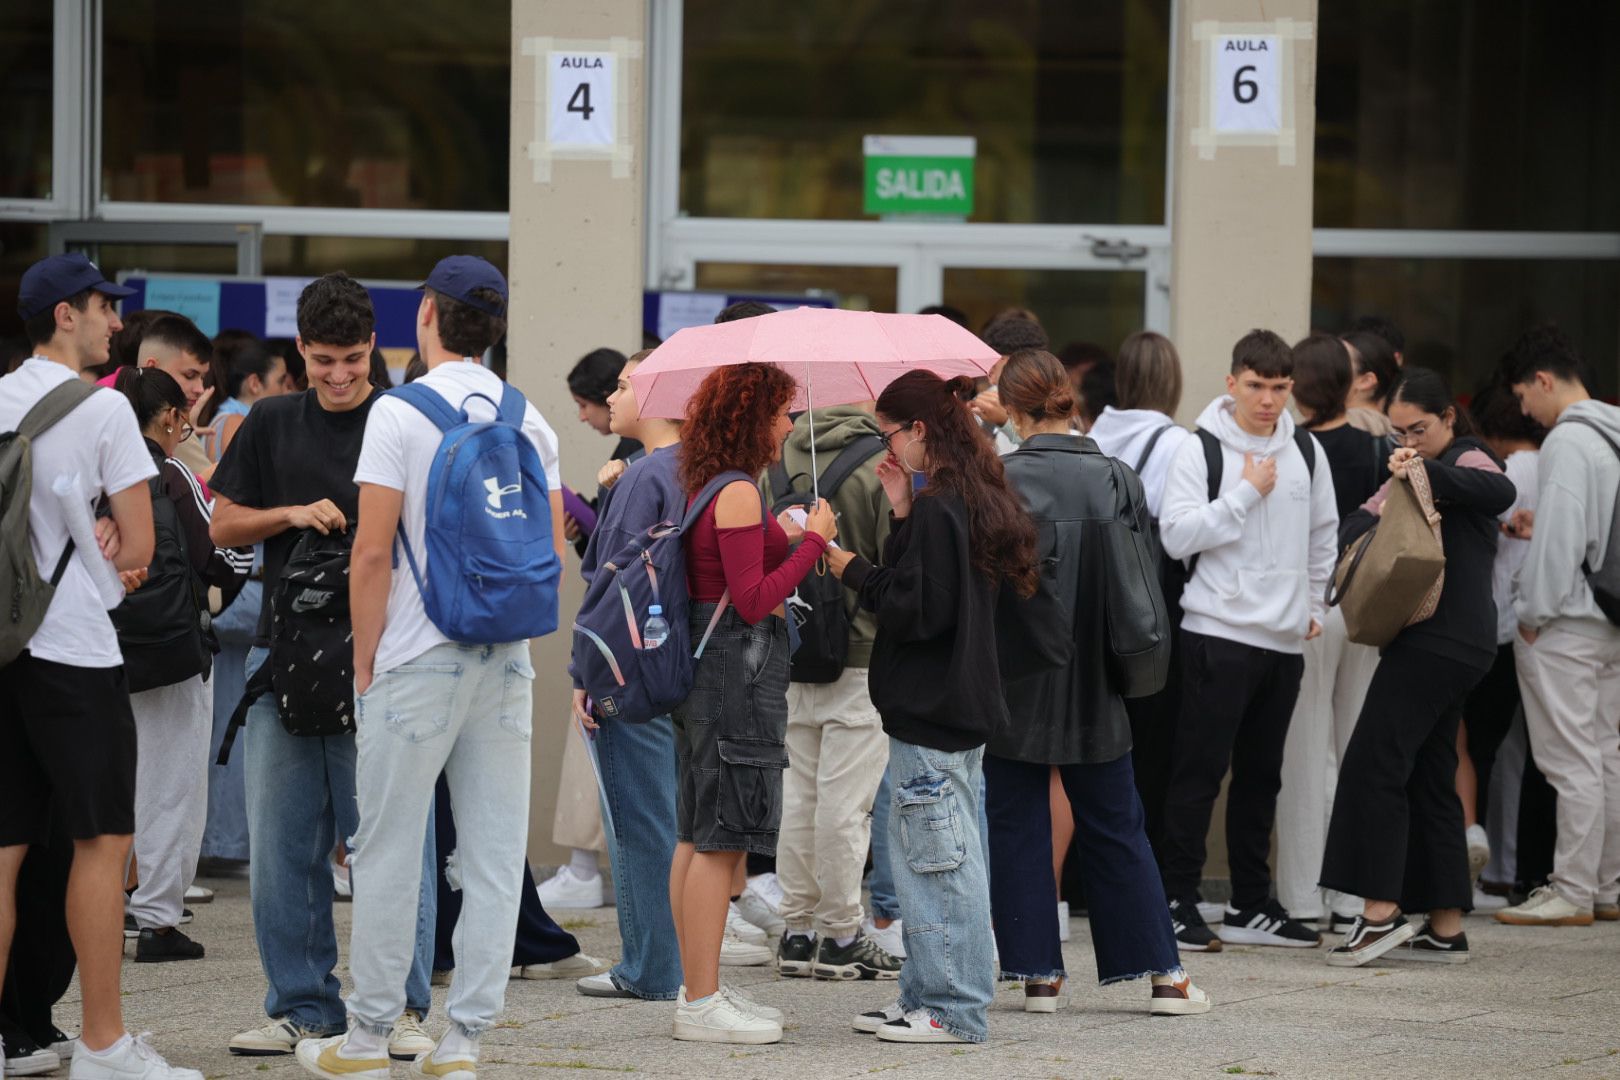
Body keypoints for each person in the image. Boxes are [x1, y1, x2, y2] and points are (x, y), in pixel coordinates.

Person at [292, 255, 565, 1080]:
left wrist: (364, 659)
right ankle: (465, 1041)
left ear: (425, 316)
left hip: (417, 656)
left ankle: (368, 1038)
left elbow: (372, 552)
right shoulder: (530, 417)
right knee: (492, 854)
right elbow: (551, 551)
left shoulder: (399, 413)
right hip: (506, 660)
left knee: (387, 849)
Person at [210, 272, 437, 1060]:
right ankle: (303, 1007)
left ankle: (401, 1009)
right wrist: (291, 513)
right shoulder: (271, 420)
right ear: (299, 352)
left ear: (375, 347)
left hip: (386, 657)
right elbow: (221, 524)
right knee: (281, 852)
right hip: (284, 656)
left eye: (352, 359)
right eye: (322, 361)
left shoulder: (404, 417)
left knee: (392, 842)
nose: (338, 376)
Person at [1, 252, 202, 1080]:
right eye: (102, 307)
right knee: (103, 838)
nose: (115, 322)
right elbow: (140, 546)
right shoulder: (105, 409)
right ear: (65, 315)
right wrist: (104, 539)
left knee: (4, 846)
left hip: (4, 646)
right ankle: (103, 1043)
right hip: (73, 648)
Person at [986, 349, 1212, 1018]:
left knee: (1016, 824)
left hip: (1016, 675)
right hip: (1096, 673)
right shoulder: (1117, 478)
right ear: (1067, 398)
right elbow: (1141, 584)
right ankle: (1165, 975)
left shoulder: (997, 480)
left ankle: (1036, 975)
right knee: (1116, 823)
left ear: (1013, 409)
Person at [825, 370, 1036, 1045]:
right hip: (951, 702)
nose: (886, 447)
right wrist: (900, 509)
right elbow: (932, 587)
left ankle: (951, 1008)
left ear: (918, 429)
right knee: (938, 860)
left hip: (934, 703)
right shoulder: (963, 494)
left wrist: (849, 567)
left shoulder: (946, 504)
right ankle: (924, 994)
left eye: (888, 434)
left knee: (940, 867)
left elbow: (917, 608)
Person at [1321, 368, 1517, 965]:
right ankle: (1446, 925)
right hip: (1454, 644)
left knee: (1373, 761)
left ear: (1449, 418)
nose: (1409, 442)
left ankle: (1379, 915)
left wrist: (1423, 473)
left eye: (1420, 429)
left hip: (1438, 642)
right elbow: (1355, 524)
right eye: (1399, 433)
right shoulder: (1409, 470)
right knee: (1432, 774)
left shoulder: (1468, 456)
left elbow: (1500, 492)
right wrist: (1398, 494)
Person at [1156, 329, 1339, 951]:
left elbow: (1323, 535)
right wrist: (1243, 494)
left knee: (1263, 778)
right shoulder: (1199, 448)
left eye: (1280, 387)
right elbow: (1176, 536)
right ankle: (1176, 900)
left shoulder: (1306, 449)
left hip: (1283, 641)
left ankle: (1250, 904)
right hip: (1216, 632)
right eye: (1257, 385)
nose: (1268, 399)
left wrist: (1313, 606)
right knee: (1198, 774)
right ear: (1232, 382)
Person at [668, 362, 835, 1044]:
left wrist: (785, 535)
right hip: (736, 676)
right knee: (721, 838)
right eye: (782, 413)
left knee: (696, 832)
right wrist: (815, 541)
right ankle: (701, 1002)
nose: (790, 425)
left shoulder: (715, 484)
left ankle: (697, 989)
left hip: (710, 677)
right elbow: (754, 598)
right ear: (753, 419)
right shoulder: (738, 491)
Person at [111, 366, 252, 963]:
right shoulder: (171, 474)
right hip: (171, 654)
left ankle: (100, 908)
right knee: (170, 786)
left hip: (101, 649)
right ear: (170, 417)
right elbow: (225, 556)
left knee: (111, 782)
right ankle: (158, 921)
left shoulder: (99, 471)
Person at [568, 349, 686, 1002]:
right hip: (679, 666)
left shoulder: (645, 476)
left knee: (639, 824)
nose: (612, 397)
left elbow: (611, 589)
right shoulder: (698, 469)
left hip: (631, 670)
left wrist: (585, 671)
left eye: (623, 385)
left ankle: (649, 967)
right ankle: (668, 960)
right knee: (670, 819)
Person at [770, 398, 901, 982]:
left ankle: (797, 931)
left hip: (793, 650)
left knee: (798, 799)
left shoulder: (777, 462)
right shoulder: (878, 464)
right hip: (860, 655)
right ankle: (843, 935)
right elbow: (892, 564)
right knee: (845, 807)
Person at [1496, 326, 1620, 927]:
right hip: (1610, 617)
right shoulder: (1613, 432)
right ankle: (1605, 887)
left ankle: (1571, 890)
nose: (1526, 412)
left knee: (1570, 760)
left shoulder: (1568, 439)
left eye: (1524, 397)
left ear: (1543, 381)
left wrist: (1531, 614)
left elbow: (1564, 540)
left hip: (1566, 621)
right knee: (1606, 754)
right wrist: (1541, 521)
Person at [1275, 334, 1387, 931]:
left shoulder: (1293, 446)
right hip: (1367, 603)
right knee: (1357, 749)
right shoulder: (1380, 443)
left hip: (1312, 602)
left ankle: (1302, 897)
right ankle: (1351, 899)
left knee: (1304, 751)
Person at [1085, 331, 1193, 854]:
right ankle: (1140, 861)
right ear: (1172, 382)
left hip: (1093, 604)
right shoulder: (1178, 445)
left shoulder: (1094, 433)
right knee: (1152, 744)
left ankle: (1082, 871)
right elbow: (1179, 535)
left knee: (1095, 744)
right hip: (1150, 607)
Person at [540, 346, 639, 909]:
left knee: (600, 735)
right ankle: (586, 869)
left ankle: (586, 871)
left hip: (624, 628)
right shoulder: (633, 458)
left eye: (590, 402)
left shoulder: (638, 461)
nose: (585, 414)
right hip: (622, 626)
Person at [1460, 376, 1544, 910]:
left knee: (1477, 750)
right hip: (1535, 626)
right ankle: (1524, 873)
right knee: (1533, 754)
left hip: (1497, 624)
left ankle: (1483, 865)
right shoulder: (1556, 464)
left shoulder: (1506, 472)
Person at [198, 331, 293, 463]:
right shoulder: (237, 424)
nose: (288, 391)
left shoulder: (236, 420)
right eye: (281, 381)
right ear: (254, 383)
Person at [1341, 328, 1399, 438]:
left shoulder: (1348, 424)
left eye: (1338, 362)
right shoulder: (1394, 429)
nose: (1327, 367)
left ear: (1366, 381)